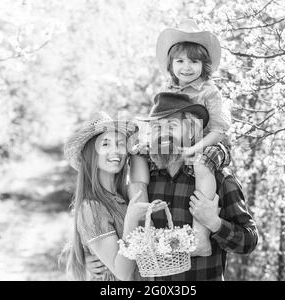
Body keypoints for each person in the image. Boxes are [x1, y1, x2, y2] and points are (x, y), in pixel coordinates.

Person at [129, 19, 232, 257]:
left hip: (210, 144)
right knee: (137, 156)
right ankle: (143, 226)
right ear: (171, 64)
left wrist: (194, 148)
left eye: (194, 61)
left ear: (204, 65)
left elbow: (219, 131)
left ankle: (200, 235)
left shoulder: (209, 91)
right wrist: (148, 144)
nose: (187, 67)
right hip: (180, 145)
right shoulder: (169, 90)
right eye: (180, 61)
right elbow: (160, 123)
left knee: (202, 163)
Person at [137, 92, 257, 280]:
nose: (162, 133)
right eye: (156, 127)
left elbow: (249, 241)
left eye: (172, 125)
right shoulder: (145, 181)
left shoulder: (218, 179)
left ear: (192, 130)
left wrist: (214, 223)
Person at [63, 111, 167, 281]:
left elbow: (139, 182)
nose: (115, 151)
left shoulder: (123, 196)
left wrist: (135, 152)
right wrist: (131, 222)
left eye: (120, 144)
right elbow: (123, 273)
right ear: (91, 155)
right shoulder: (92, 207)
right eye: (105, 144)